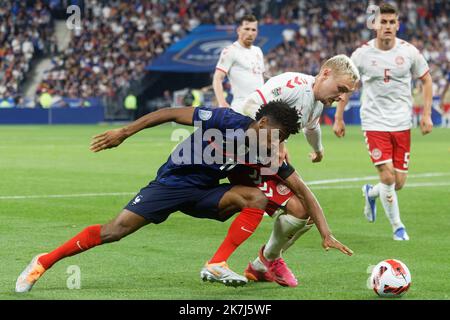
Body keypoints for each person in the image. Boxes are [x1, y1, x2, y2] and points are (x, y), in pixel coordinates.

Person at [15, 101, 352, 293]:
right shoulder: (225, 119)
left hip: (205, 192)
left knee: (255, 197)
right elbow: (170, 113)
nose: (276, 144)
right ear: (262, 122)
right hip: (173, 183)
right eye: (277, 136)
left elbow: (302, 190)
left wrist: (325, 233)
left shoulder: (266, 153)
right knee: (112, 232)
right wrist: (124, 132)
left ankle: (217, 263)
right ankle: (42, 262)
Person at [206, 54, 360, 287]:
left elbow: (312, 127)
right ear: (325, 73)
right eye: (340, 89)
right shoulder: (292, 85)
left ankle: (264, 263)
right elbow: (250, 106)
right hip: (241, 152)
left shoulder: (317, 103)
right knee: (299, 205)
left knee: (302, 210)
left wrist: (318, 150)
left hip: (262, 158)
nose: (341, 97)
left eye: (346, 92)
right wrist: (276, 141)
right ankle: (252, 262)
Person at [332, 3, 433, 241]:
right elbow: (347, 86)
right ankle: (398, 227)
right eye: (383, 22)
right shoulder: (362, 54)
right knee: (387, 177)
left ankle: (371, 192)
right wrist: (338, 117)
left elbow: (427, 80)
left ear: (397, 25)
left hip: (402, 123)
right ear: (375, 24)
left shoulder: (409, 52)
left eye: (391, 22)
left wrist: (426, 115)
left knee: (398, 183)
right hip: (374, 122)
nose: (387, 26)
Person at [213, 14, 265, 113]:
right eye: (247, 29)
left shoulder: (258, 51)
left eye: (253, 30)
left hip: (260, 107)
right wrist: (222, 102)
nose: (250, 33)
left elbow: (261, 77)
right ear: (238, 30)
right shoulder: (230, 51)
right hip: (241, 107)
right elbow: (217, 78)